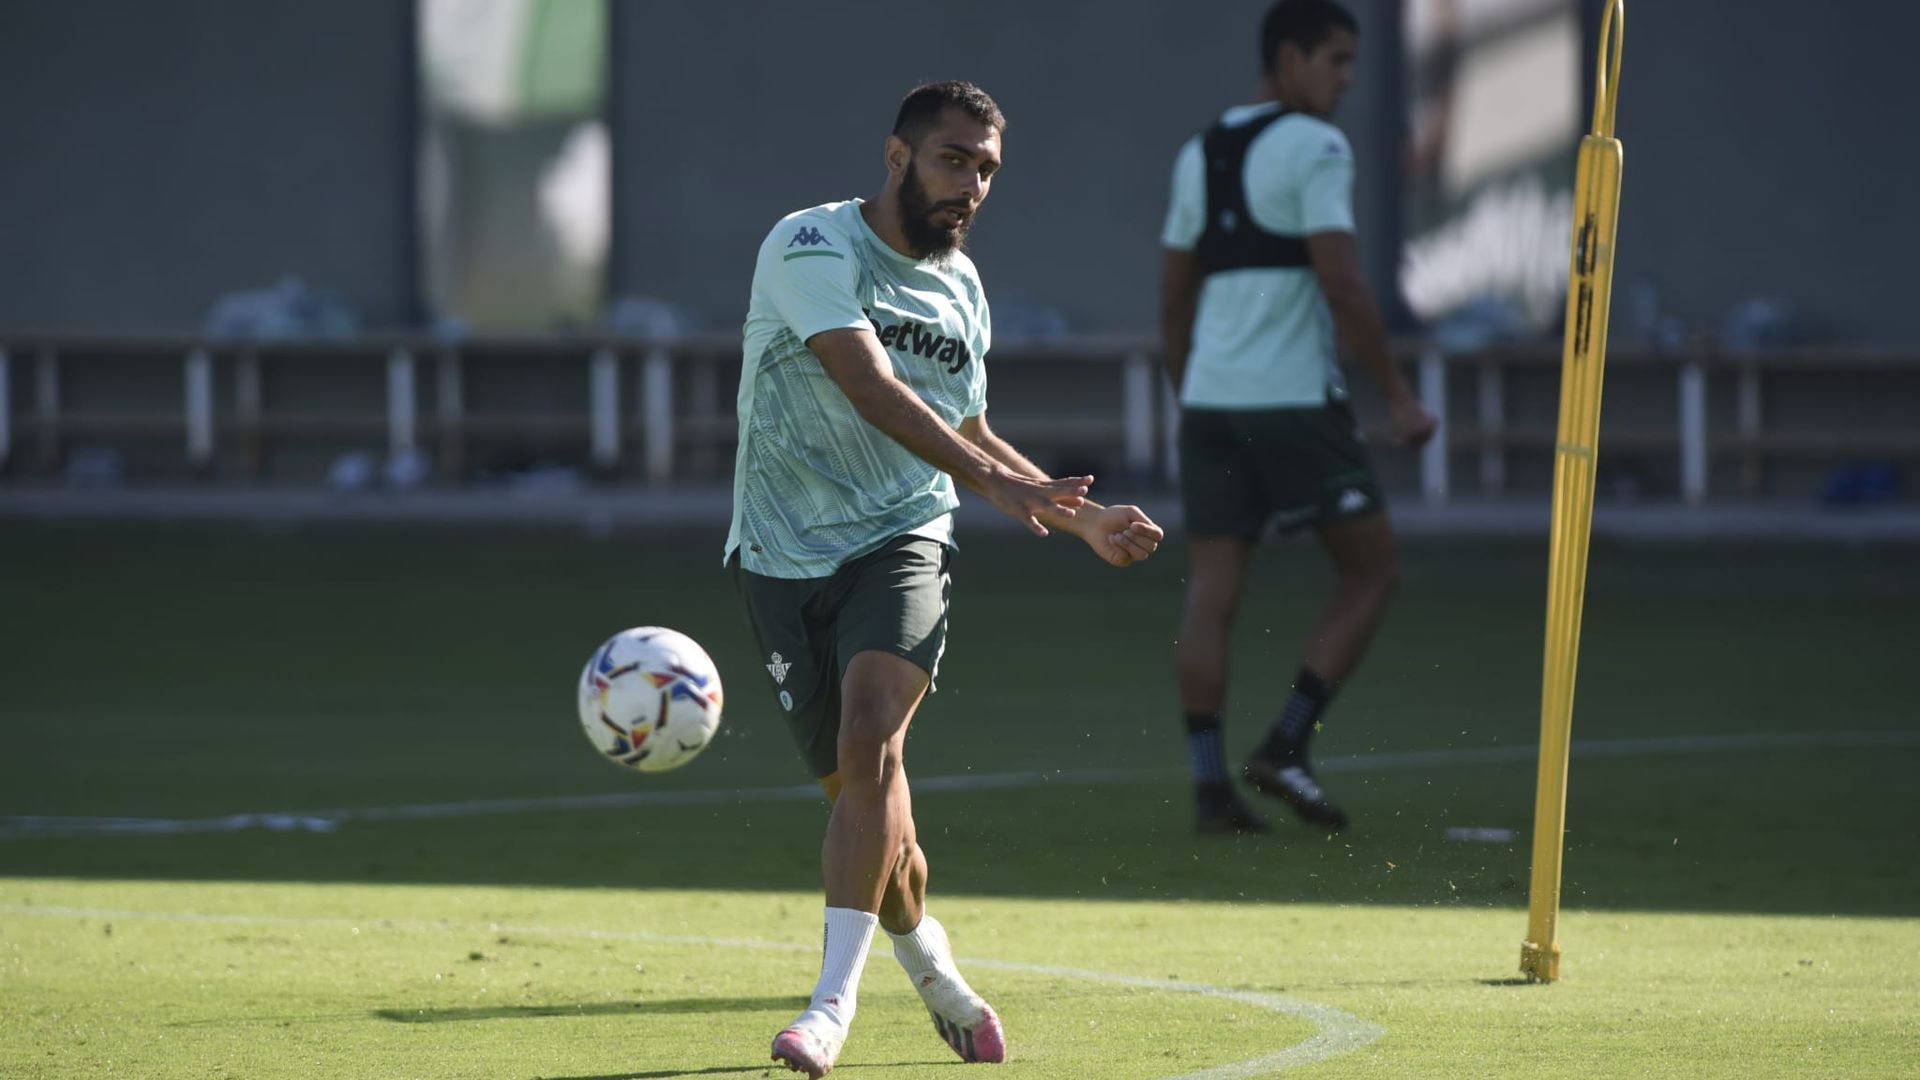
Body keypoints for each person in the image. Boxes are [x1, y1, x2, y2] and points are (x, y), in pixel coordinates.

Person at [726, 80, 1165, 1078]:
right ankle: (936, 971)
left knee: (873, 731)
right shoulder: (811, 245)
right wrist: (992, 478)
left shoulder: (961, 288)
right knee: (877, 825)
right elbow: (868, 383)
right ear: (897, 157)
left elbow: (967, 431)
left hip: (905, 537)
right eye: (952, 159)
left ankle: (828, 1011)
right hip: (780, 556)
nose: (970, 183)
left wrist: (1078, 513)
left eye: (986, 169)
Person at [1158, 0, 1437, 836]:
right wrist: (1398, 395)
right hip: (1293, 403)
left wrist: (1191, 392)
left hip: (1212, 401)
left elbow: (1174, 295)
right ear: (1288, 58)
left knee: (1212, 590)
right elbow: (1344, 284)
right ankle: (1284, 745)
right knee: (1372, 570)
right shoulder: (1318, 147)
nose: (1346, 81)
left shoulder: (1200, 149)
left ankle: (1210, 789)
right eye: (1335, 61)